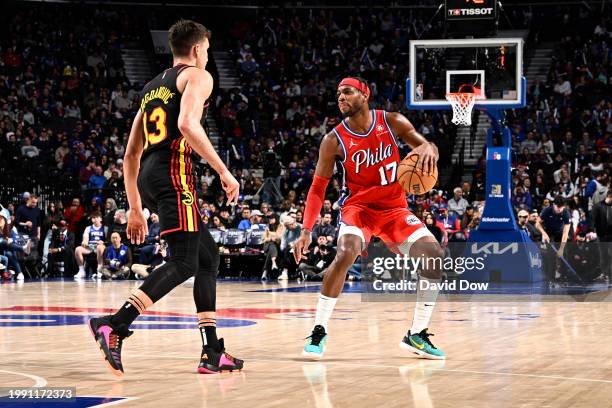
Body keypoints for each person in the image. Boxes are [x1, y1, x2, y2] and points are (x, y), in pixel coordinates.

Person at [88, 20, 243, 376]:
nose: (207, 56)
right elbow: (189, 125)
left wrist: (135, 208)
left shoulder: (151, 88)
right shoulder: (197, 77)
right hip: (174, 172)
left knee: (207, 256)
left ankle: (212, 350)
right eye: (206, 50)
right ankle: (116, 323)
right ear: (197, 49)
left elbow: (130, 155)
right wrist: (223, 170)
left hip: (150, 175)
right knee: (185, 262)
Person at [294, 77, 445, 360]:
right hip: (358, 209)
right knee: (347, 251)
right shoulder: (333, 140)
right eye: (338, 93)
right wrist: (306, 230)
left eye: (347, 92)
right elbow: (317, 187)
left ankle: (417, 334)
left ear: (365, 94)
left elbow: (428, 148)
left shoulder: (392, 121)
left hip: (394, 210)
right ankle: (319, 329)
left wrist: (430, 147)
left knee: (434, 255)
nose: (340, 97)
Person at [74, 212, 107, 279]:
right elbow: (85, 239)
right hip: (90, 247)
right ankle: (81, 270)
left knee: (99, 248)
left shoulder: (105, 228)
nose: (95, 219)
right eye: (93, 218)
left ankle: (100, 270)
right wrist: (85, 242)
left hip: (101, 247)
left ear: (100, 219)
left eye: (97, 217)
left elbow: (108, 240)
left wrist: (103, 242)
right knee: (78, 249)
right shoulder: (88, 228)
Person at [591, 191, 612, 280]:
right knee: (603, 255)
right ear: (610, 197)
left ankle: (610, 273)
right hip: (601, 235)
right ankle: (604, 273)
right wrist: (593, 231)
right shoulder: (598, 206)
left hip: (611, 235)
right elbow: (593, 220)